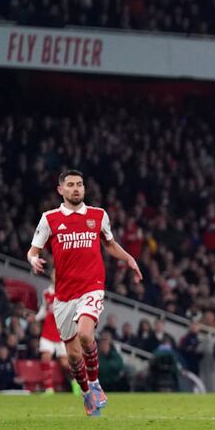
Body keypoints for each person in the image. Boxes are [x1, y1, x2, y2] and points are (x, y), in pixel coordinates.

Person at [27, 169, 143, 416]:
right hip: (64, 295)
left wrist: (129, 258)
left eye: (79, 184)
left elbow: (109, 244)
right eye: (70, 185)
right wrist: (33, 259)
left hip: (91, 286)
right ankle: (86, 393)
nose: (76, 188)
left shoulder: (98, 215)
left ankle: (95, 382)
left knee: (86, 335)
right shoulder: (49, 219)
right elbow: (33, 250)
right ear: (61, 190)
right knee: (72, 356)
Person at [36, 275, 71, 394]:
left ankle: (78, 382)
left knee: (65, 363)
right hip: (48, 331)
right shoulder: (46, 293)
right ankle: (48, 388)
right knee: (45, 358)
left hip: (62, 333)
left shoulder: (67, 291)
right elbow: (43, 310)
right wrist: (35, 318)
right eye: (53, 274)